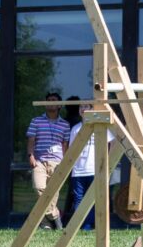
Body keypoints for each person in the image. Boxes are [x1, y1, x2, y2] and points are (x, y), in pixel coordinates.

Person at [27, 92, 70, 230]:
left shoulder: (65, 124)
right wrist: (31, 156)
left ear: (59, 105)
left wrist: (65, 163)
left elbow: (65, 145)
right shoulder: (36, 121)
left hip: (57, 162)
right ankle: (55, 216)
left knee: (52, 194)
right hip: (39, 160)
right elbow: (31, 140)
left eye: (54, 100)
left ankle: (45, 224)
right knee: (39, 188)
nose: (51, 102)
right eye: (49, 100)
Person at [68, 100, 114, 230]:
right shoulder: (76, 129)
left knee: (95, 200)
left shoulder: (99, 127)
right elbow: (71, 150)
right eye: (81, 106)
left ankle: (91, 226)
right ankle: (81, 226)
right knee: (79, 200)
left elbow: (112, 143)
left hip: (95, 169)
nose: (83, 109)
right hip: (78, 170)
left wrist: (108, 161)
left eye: (86, 106)